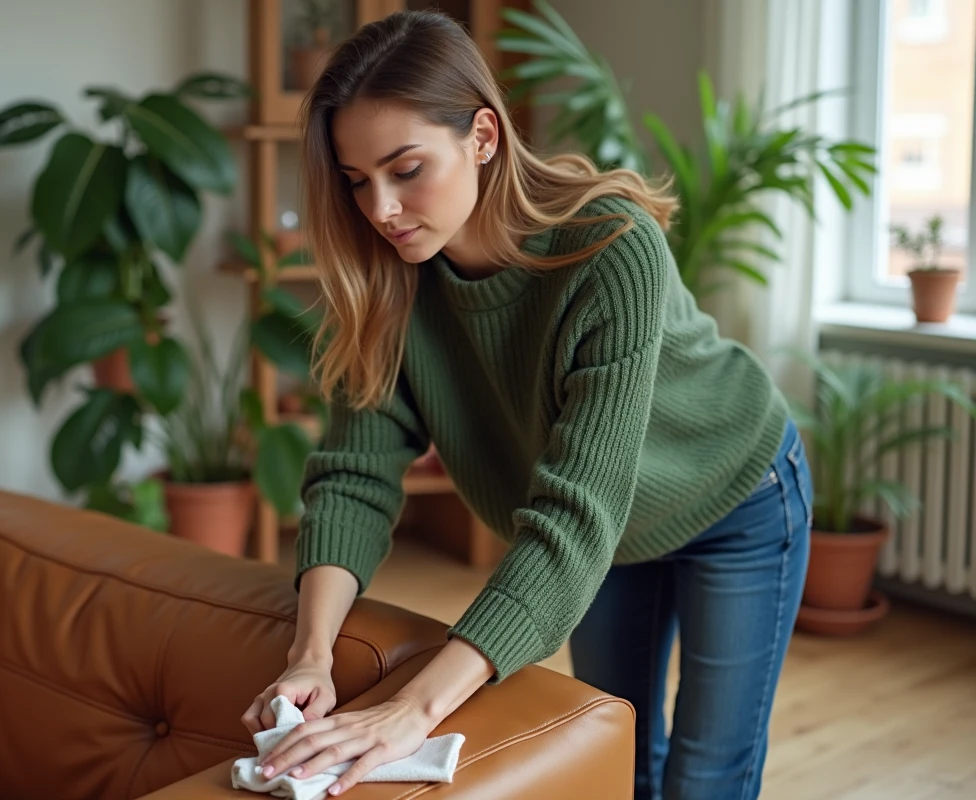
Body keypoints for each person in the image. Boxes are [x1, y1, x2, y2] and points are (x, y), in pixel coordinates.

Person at [240, 10, 812, 800]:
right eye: (356, 180)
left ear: (482, 135)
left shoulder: (610, 247)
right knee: (621, 757)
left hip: (735, 500)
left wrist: (414, 708)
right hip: (607, 541)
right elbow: (352, 477)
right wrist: (310, 653)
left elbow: (575, 517)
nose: (380, 209)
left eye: (406, 169)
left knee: (705, 780)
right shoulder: (387, 284)